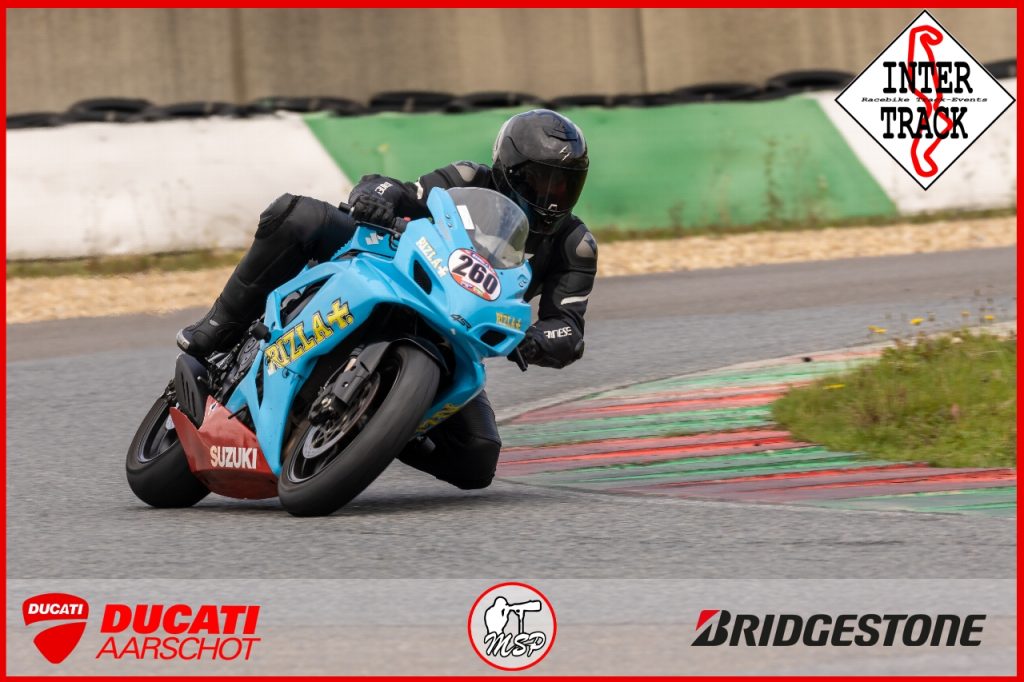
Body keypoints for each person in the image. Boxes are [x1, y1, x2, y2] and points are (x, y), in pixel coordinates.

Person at [177, 109, 597, 490]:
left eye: (566, 184)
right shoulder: (469, 179)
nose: (553, 197)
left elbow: (568, 327)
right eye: (541, 180)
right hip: (392, 270)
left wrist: (538, 340)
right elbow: (399, 190)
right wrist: (375, 198)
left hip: (453, 334)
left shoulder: (574, 245)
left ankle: (382, 424)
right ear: (509, 169)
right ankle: (219, 326)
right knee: (296, 215)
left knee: (477, 458)